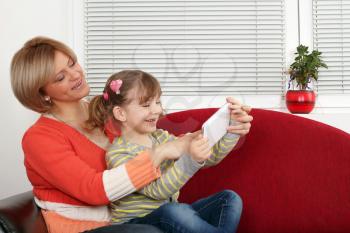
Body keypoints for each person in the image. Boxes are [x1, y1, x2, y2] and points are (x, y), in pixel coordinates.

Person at [10, 36, 206, 233]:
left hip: (128, 220)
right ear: (42, 93)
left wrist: (220, 131)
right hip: (84, 228)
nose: (75, 74)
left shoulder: (105, 110)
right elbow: (92, 190)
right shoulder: (40, 138)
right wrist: (159, 153)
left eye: (72, 63)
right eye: (60, 77)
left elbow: (149, 132)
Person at [86, 69, 252, 233]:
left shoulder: (161, 137)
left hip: (169, 216)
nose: (157, 110)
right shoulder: (118, 153)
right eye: (146, 105)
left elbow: (209, 157)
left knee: (228, 198)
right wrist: (190, 161)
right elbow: (157, 191)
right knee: (175, 211)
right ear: (121, 113)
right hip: (137, 222)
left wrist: (231, 130)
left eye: (157, 102)